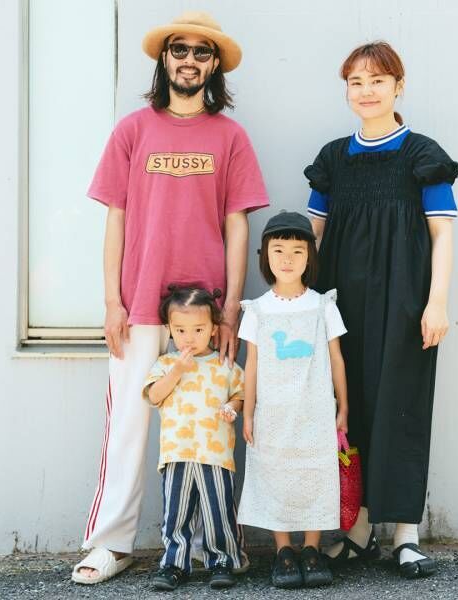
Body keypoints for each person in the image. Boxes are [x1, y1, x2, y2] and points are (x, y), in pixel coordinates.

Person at [71, 11, 268, 584]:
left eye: (202, 52)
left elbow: (237, 224)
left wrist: (230, 308)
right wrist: (112, 300)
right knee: (129, 423)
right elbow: (115, 218)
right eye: (179, 49)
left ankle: (208, 546)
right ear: (164, 58)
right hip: (138, 301)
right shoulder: (132, 130)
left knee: (207, 427)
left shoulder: (230, 137)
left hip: (204, 312)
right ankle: (111, 543)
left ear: (214, 65)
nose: (189, 59)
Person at [304, 41, 458, 579]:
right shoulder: (332, 159)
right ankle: (356, 529)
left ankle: (405, 535)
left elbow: (442, 234)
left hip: (405, 301)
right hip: (340, 303)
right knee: (349, 405)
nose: (366, 91)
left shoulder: (422, 154)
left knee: (402, 404)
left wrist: (436, 302)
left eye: (377, 80)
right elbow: (313, 236)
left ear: (399, 86)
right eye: (356, 82)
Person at [237, 211, 349, 589]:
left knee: (316, 473)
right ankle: (284, 549)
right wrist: (248, 412)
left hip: (315, 410)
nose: (287, 259)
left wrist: (343, 405)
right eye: (278, 251)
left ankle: (312, 548)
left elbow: (336, 358)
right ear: (265, 256)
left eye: (297, 251)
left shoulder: (322, 306)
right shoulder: (258, 309)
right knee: (275, 474)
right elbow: (251, 364)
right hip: (272, 412)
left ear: (309, 257)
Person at [142, 286, 244, 591]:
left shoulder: (224, 364)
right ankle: (174, 564)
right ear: (170, 330)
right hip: (177, 452)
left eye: (198, 329)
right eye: (181, 330)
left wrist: (232, 407)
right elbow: (154, 396)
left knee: (219, 511)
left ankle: (221, 560)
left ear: (213, 328)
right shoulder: (165, 363)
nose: (189, 337)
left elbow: (240, 393)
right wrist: (176, 371)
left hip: (216, 453)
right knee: (176, 513)